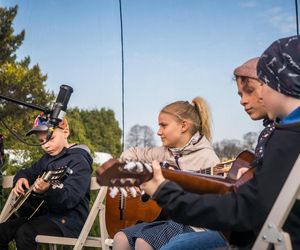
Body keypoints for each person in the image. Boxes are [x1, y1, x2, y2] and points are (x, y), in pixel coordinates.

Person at [141, 35, 300, 249]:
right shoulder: (285, 134)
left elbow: (243, 210)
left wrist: (165, 193)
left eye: (264, 84)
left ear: (282, 83)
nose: (259, 93)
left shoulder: (287, 138)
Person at [113, 97, 220, 250]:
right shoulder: (163, 153)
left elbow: (211, 207)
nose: (158, 132)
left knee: (143, 242)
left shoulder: (207, 159)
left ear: (184, 126)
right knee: (120, 238)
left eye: (163, 125)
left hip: (193, 226)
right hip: (166, 221)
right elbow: (130, 153)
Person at [0, 113, 93, 250]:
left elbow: (70, 198)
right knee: (2, 231)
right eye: (41, 141)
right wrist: (20, 179)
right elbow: (28, 171)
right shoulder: (47, 159)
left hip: (68, 222)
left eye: (51, 138)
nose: (46, 146)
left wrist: (48, 190)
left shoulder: (79, 161)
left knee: (25, 232)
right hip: (41, 217)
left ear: (65, 132)